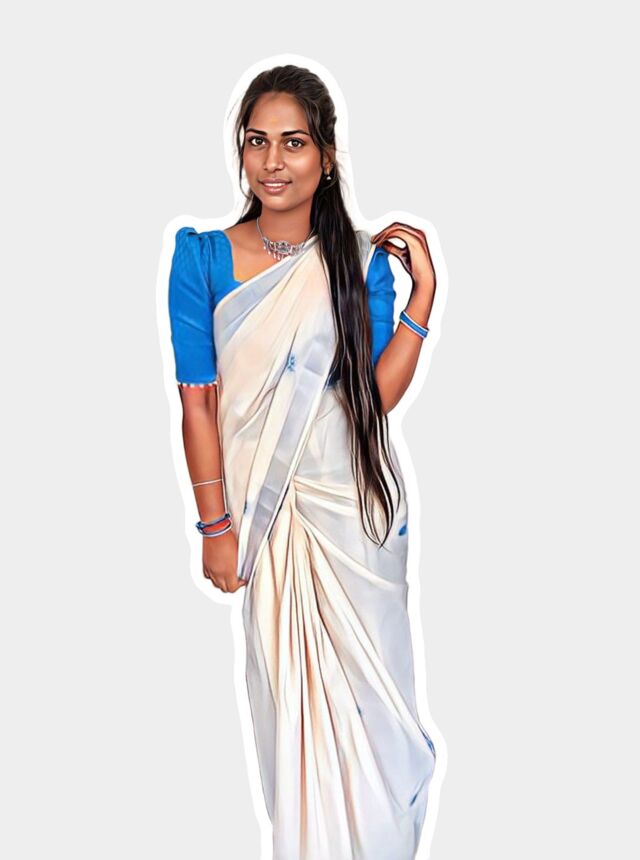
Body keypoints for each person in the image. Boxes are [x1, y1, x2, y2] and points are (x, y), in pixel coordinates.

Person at [167, 64, 438, 860]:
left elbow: (371, 402)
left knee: (375, 728)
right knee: (290, 725)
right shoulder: (202, 259)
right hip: (268, 521)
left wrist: (421, 302)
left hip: (354, 523)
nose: (273, 162)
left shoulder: (357, 259)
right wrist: (214, 526)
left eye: (293, 143)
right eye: (257, 142)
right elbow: (198, 403)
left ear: (326, 154)